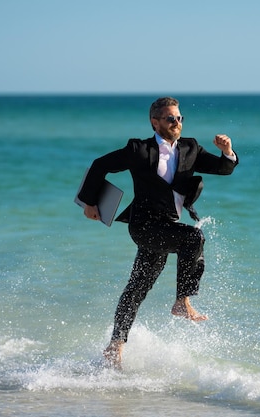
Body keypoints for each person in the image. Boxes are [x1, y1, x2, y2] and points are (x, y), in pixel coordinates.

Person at [77, 97, 238, 369]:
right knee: (193, 237)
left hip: (167, 225)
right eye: (170, 119)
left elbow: (222, 169)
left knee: (137, 288)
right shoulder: (139, 149)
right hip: (143, 224)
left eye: (179, 118)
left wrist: (228, 151)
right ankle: (182, 301)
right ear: (155, 122)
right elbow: (99, 164)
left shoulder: (190, 148)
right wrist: (90, 202)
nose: (177, 123)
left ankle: (114, 347)